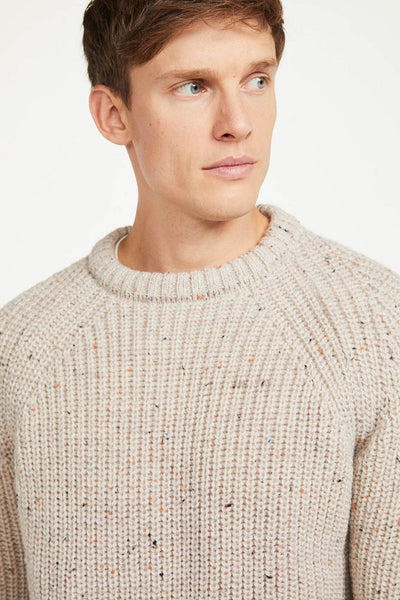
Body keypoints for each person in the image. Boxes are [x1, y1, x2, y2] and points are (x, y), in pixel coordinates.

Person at [0, 0, 399, 598]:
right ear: (114, 115)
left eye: (257, 80)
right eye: (193, 87)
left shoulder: (374, 326)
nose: (238, 123)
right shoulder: (21, 349)